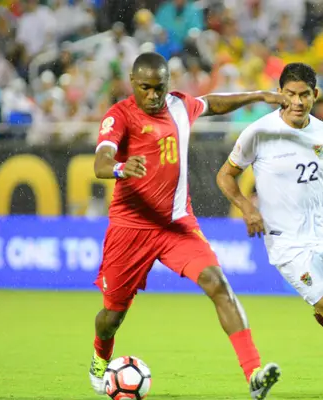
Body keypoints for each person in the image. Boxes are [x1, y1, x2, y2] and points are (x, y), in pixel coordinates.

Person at [90, 52, 289, 399]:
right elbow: (101, 161)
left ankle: (254, 374)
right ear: (133, 84)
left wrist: (258, 95)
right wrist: (122, 168)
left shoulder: (181, 106)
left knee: (218, 284)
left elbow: (212, 103)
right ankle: (99, 356)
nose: (153, 95)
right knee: (112, 316)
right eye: (146, 88)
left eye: (159, 88)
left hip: (177, 226)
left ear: (169, 84)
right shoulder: (119, 115)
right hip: (130, 228)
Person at [216, 63, 323, 399]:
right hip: (289, 247)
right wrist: (248, 208)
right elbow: (225, 176)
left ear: (315, 95)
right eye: (290, 94)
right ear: (281, 94)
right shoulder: (258, 132)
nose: (296, 101)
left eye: (304, 94)